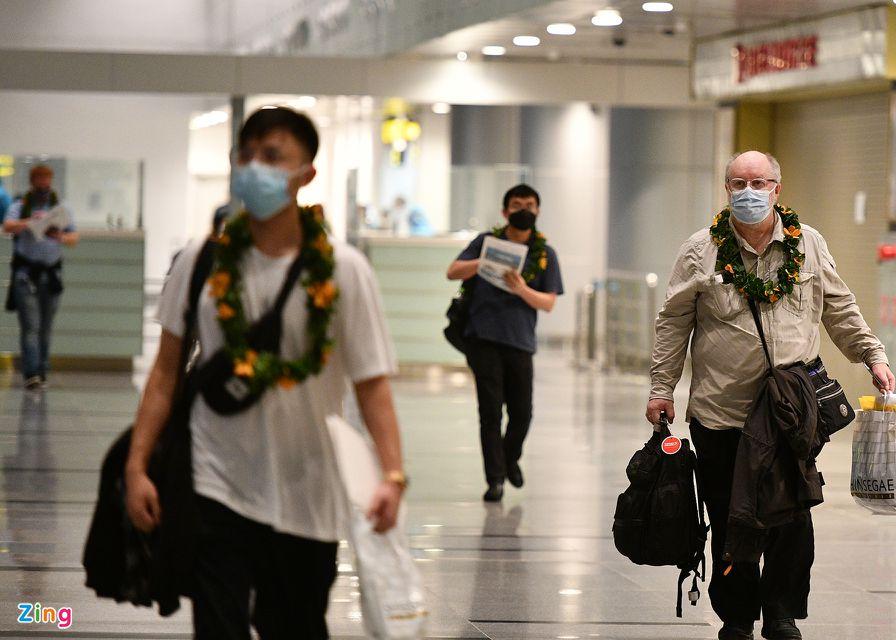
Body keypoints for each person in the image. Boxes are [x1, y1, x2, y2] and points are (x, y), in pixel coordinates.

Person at [124, 107, 407, 640]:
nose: (255, 167)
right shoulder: (199, 261)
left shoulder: (345, 270)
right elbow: (165, 374)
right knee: (218, 629)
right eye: (246, 155)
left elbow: (373, 386)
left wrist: (391, 476)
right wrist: (137, 466)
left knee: (295, 628)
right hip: (215, 484)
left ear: (307, 173)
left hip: (307, 491)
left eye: (273, 156)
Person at [645, 151, 895, 640]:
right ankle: (736, 617)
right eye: (738, 182)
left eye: (759, 182)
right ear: (726, 189)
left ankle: (781, 613)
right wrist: (662, 388)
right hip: (723, 413)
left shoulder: (809, 245)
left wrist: (873, 355)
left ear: (778, 188)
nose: (749, 191)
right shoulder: (701, 250)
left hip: (789, 415)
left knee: (791, 516)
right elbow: (673, 322)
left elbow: (839, 307)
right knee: (729, 517)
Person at [446, 184, 564, 502]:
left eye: (529, 204)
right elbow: (453, 271)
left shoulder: (545, 254)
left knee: (522, 413)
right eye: (516, 204)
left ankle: (509, 457)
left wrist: (521, 288)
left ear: (537, 211)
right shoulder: (486, 241)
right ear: (504, 211)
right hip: (482, 338)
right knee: (490, 412)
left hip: (520, 342)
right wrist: (484, 263)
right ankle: (495, 479)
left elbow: (548, 302)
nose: (522, 209)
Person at [3, 165, 79, 389]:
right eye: (39, 179)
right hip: (26, 275)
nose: (44, 183)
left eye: (47, 179)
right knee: (31, 325)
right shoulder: (21, 206)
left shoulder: (60, 208)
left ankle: (43, 368)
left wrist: (59, 236)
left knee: (46, 326)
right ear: (32, 180)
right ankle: (32, 372)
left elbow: (74, 237)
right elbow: (7, 226)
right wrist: (29, 223)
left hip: (51, 274)